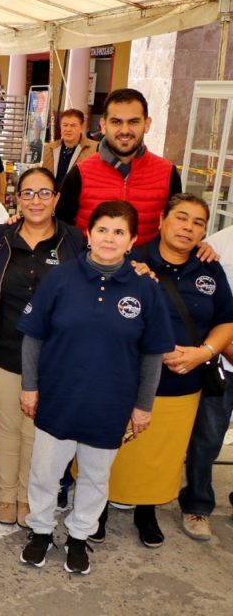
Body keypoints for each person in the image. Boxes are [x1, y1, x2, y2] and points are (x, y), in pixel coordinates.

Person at [18, 200, 174, 575]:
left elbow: (153, 354)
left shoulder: (146, 289)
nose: (109, 238)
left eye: (119, 232)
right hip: (59, 396)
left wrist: (143, 406)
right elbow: (33, 338)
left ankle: (79, 535)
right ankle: (40, 530)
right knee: (44, 472)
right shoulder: (60, 278)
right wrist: (29, 387)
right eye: (102, 229)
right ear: (88, 234)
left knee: (95, 476)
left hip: (110, 402)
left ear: (132, 241)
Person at [104, 194, 233, 547]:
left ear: (204, 231)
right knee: (114, 448)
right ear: (162, 219)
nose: (188, 227)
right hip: (130, 379)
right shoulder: (132, 260)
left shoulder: (209, 268)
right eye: (181, 217)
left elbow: (226, 320)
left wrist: (204, 353)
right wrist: (155, 350)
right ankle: (97, 507)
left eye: (198, 223)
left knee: (161, 454)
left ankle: (146, 510)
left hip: (184, 383)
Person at [0, 167, 85, 527]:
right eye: (28, 193)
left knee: (34, 430)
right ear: (17, 199)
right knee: (8, 425)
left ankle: (27, 497)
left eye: (44, 193)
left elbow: (105, 270)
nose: (36, 201)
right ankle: (5, 495)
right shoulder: (1, 236)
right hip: (4, 347)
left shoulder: (75, 240)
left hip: (53, 355)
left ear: (56, 199)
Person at [57, 88, 181, 247]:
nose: (125, 130)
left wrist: (199, 247)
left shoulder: (168, 173)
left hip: (147, 263)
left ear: (147, 124)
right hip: (88, 262)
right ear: (103, 125)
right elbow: (60, 230)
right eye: (116, 122)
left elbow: (179, 227)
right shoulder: (79, 173)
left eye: (134, 122)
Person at [181, 220, 233, 540]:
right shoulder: (220, 244)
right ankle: (197, 504)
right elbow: (213, 308)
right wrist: (226, 347)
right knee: (208, 438)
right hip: (224, 363)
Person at [41, 109, 98, 186]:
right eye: (65, 125)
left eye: (73, 125)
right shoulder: (49, 148)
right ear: (60, 126)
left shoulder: (95, 149)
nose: (68, 129)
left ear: (81, 126)